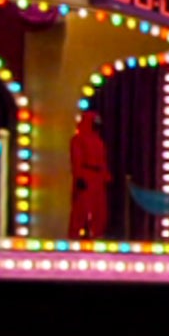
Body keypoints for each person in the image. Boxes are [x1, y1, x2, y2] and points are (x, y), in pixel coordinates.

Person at [67, 102, 111, 241]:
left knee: (99, 207)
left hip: (97, 176)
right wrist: (79, 177)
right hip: (86, 175)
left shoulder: (98, 140)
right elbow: (77, 159)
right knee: (82, 207)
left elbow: (102, 159)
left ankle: (97, 233)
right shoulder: (78, 139)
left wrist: (105, 176)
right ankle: (75, 235)